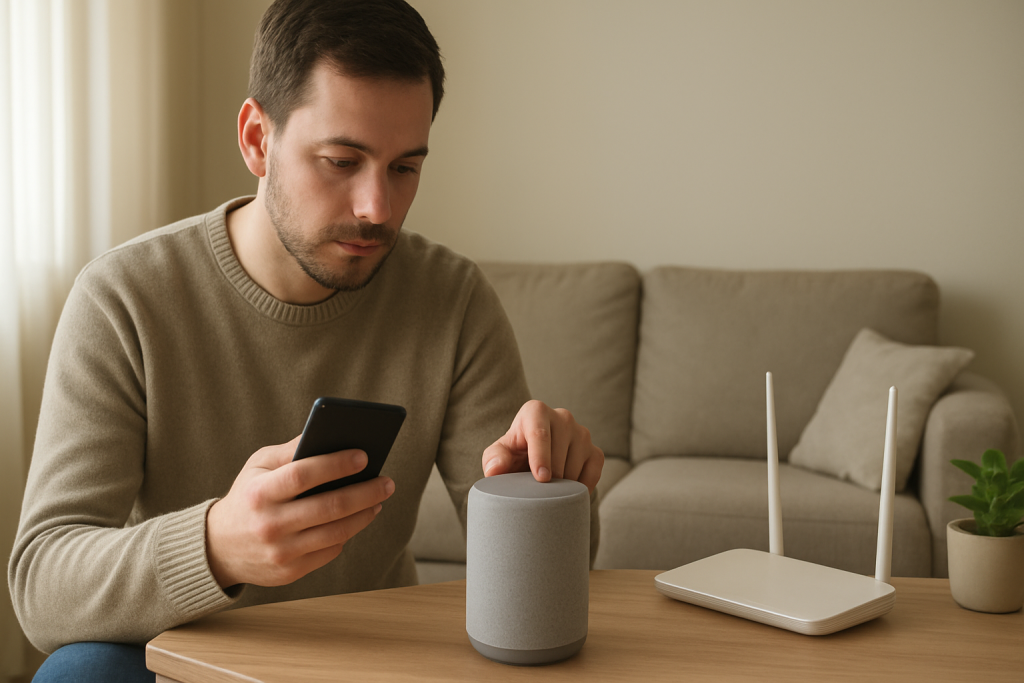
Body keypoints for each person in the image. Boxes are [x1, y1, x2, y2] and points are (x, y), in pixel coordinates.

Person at [8, 1, 604, 681]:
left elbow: (540, 592)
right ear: (258, 139)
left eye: (405, 167)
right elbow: (42, 586)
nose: (378, 208)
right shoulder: (123, 298)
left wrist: (555, 492)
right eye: (342, 160)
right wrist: (216, 546)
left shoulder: (452, 298)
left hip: (373, 660)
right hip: (188, 661)